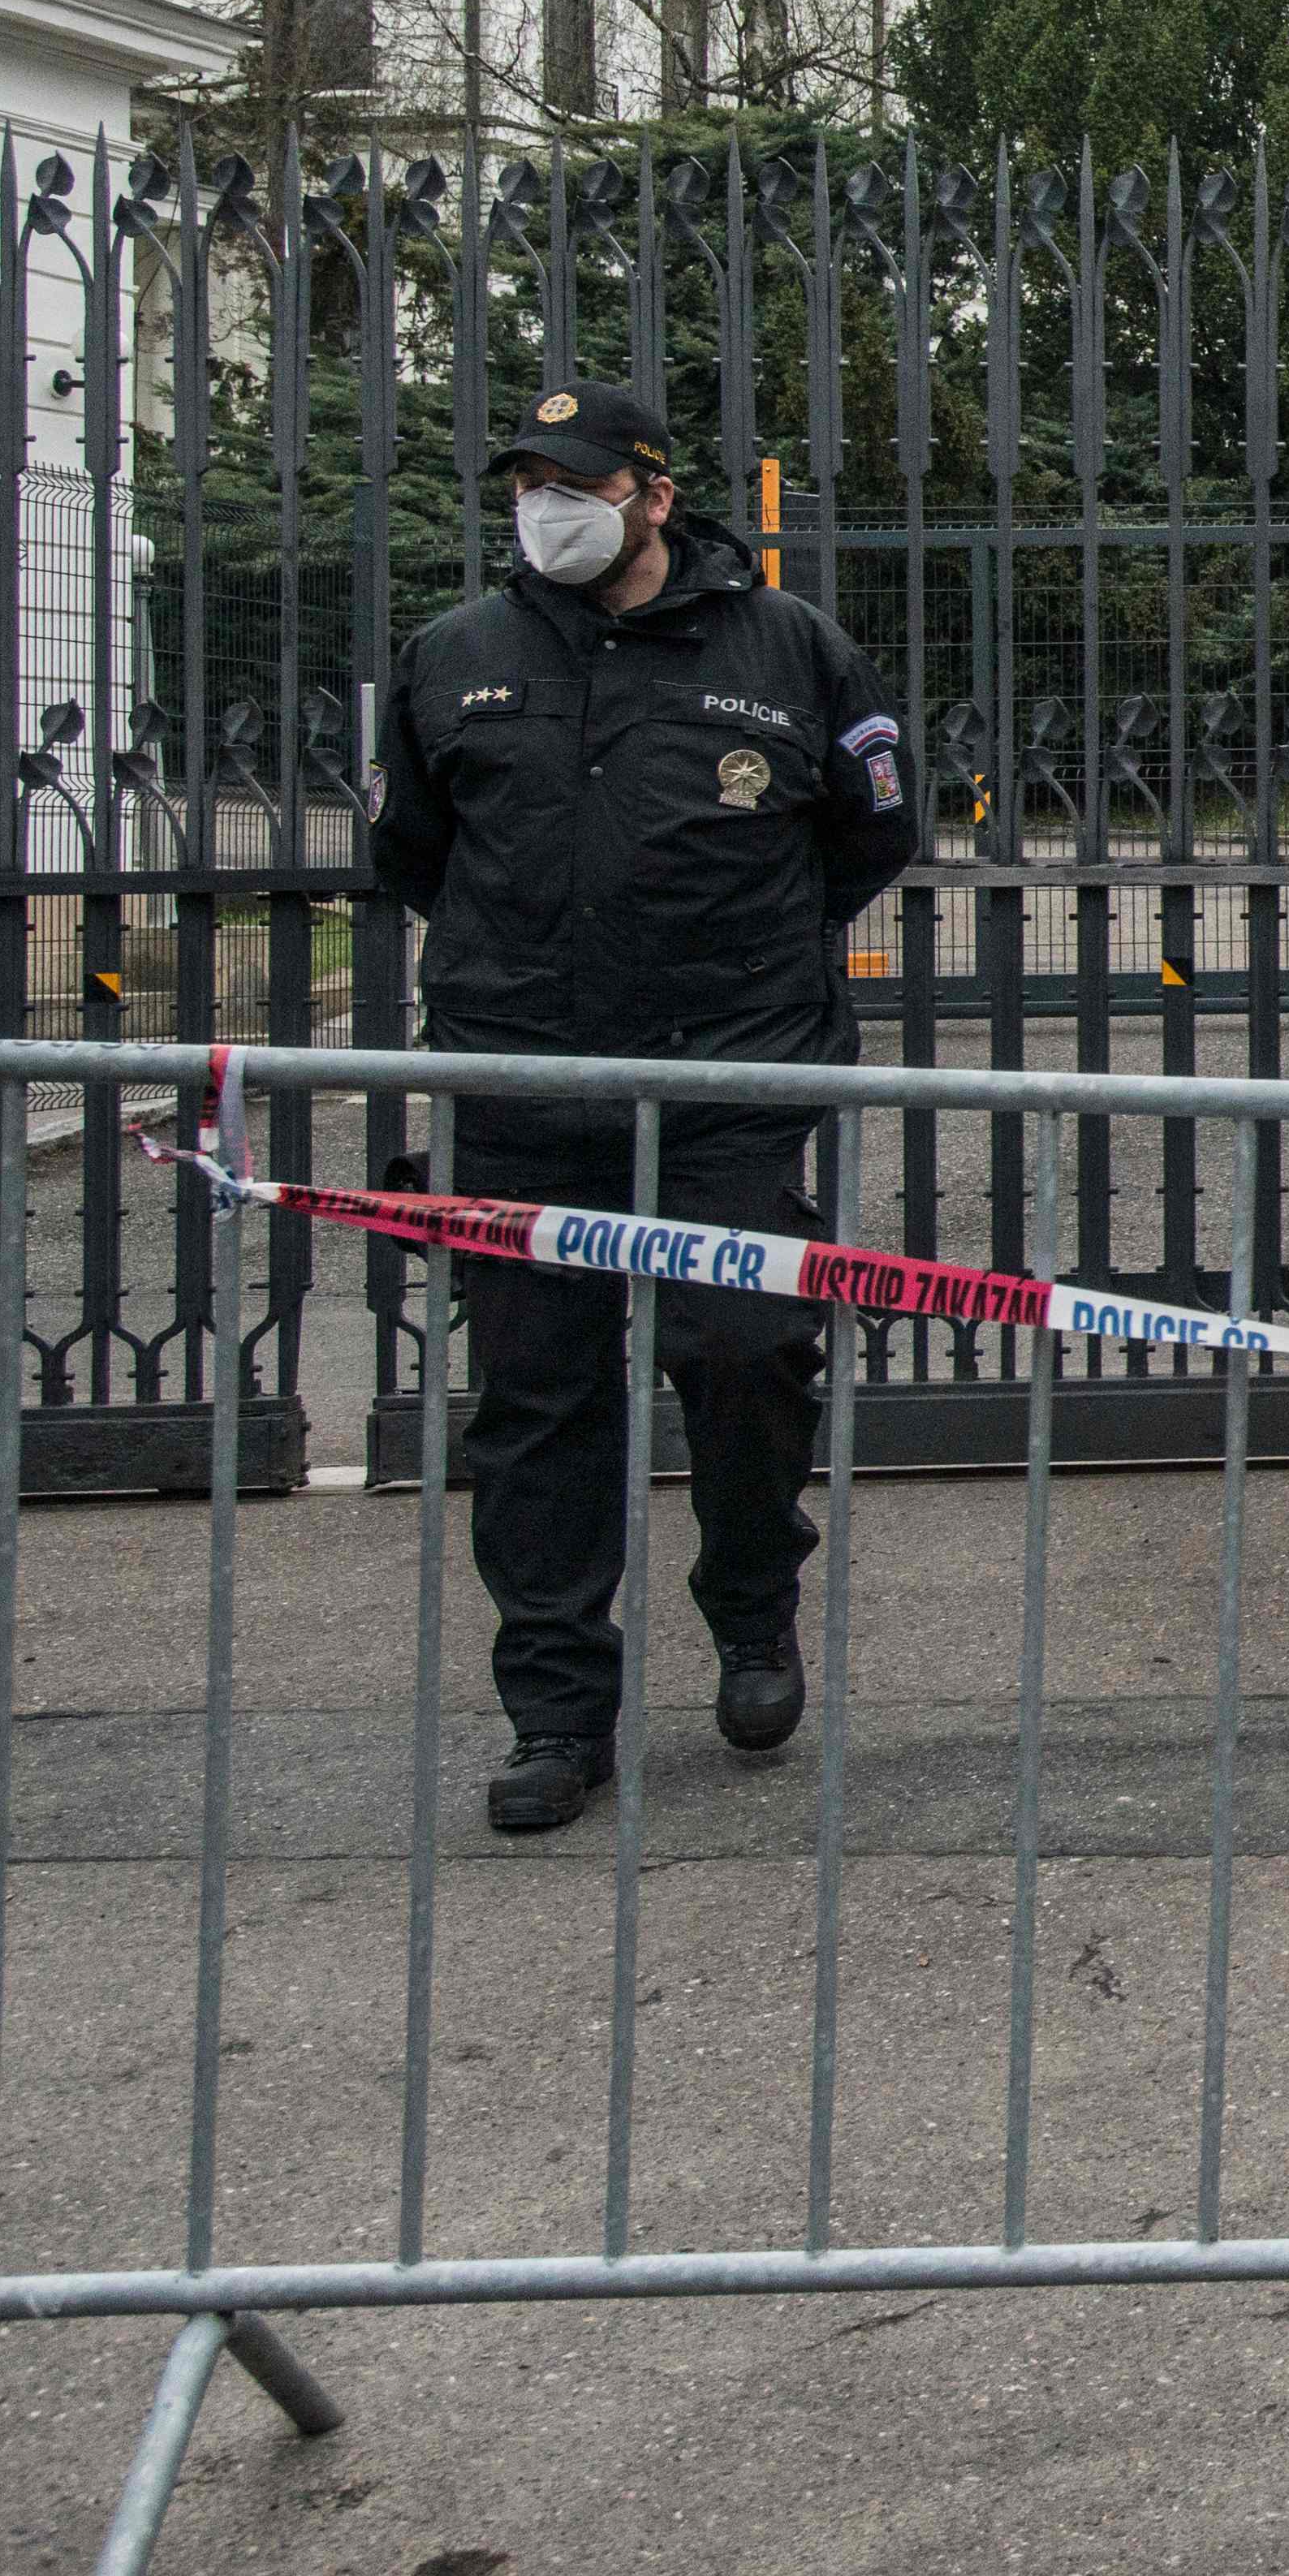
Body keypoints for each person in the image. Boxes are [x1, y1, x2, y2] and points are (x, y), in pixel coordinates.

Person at [367, 381, 914, 1835]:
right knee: (536, 1405)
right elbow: (418, 853)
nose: (547, 509)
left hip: (723, 1083)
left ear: (655, 495)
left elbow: (872, 835)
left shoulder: (791, 650)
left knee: (743, 1355)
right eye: (527, 484)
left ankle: (750, 1604)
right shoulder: (452, 657)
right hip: (523, 1087)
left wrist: (741, 966)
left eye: (578, 483)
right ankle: (557, 1712)